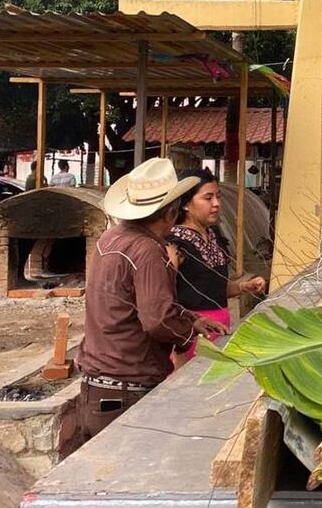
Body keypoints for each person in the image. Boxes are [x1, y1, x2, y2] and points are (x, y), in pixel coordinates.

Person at [75, 158, 228, 441]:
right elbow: (157, 320)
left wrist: (192, 319)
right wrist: (187, 336)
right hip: (127, 384)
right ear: (170, 212)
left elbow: (137, 303)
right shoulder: (147, 250)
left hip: (99, 381)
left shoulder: (110, 238)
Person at [167, 169, 266, 368]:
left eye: (218, 197)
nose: (216, 204)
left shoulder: (213, 235)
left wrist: (243, 287)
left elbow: (212, 288)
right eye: (208, 198)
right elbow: (164, 300)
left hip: (220, 330)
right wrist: (179, 346)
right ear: (185, 203)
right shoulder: (174, 244)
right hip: (190, 336)